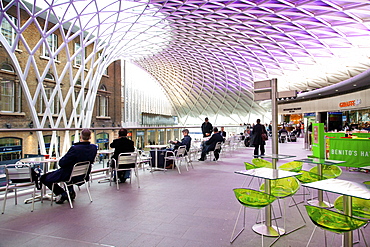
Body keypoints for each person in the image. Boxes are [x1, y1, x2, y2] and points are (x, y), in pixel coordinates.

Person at [40, 129, 98, 204]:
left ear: (80, 137)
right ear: (90, 137)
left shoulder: (75, 148)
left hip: (69, 175)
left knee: (44, 178)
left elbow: (61, 163)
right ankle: (70, 192)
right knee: (69, 174)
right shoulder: (94, 148)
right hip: (83, 175)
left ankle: (63, 193)